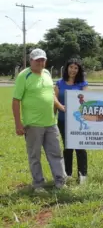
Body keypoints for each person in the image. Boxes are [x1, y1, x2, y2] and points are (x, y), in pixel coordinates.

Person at [12, 48, 66, 193]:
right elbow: (16, 101)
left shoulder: (47, 73)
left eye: (42, 60)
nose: (40, 63)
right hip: (33, 124)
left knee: (56, 153)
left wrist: (60, 106)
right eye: (37, 60)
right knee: (34, 155)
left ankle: (60, 181)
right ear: (31, 61)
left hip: (51, 122)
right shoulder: (24, 76)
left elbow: (51, 94)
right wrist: (18, 123)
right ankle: (38, 184)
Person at [55, 58, 89, 184]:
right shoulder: (59, 83)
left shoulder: (83, 84)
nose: (73, 70)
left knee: (80, 147)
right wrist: (60, 107)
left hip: (78, 121)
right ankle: (68, 174)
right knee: (67, 147)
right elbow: (55, 99)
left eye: (76, 68)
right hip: (63, 120)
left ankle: (82, 175)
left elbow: (85, 101)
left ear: (79, 70)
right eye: (71, 67)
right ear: (67, 68)